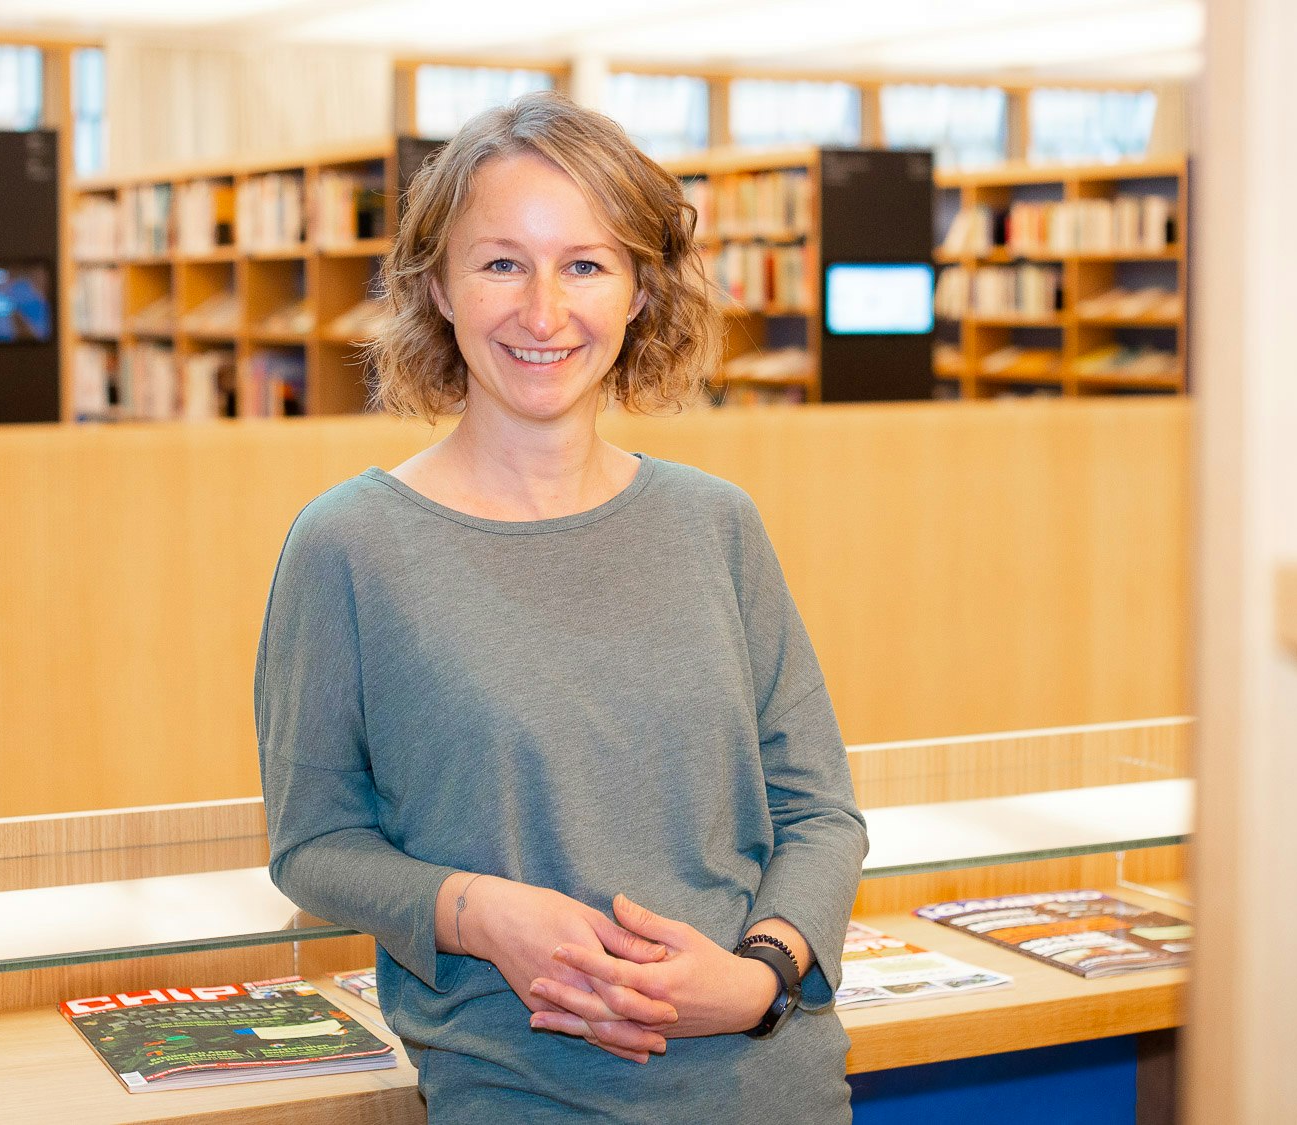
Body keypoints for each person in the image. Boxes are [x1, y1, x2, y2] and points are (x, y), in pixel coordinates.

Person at [254, 91, 867, 1122]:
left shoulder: (715, 524)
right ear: (436, 288)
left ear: (636, 291)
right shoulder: (347, 546)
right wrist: (476, 911)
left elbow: (817, 810)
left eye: (584, 264)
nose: (543, 313)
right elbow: (312, 843)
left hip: (769, 1083)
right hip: (522, 1091)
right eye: (500, 263)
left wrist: (758, 977)